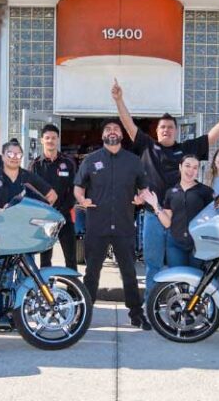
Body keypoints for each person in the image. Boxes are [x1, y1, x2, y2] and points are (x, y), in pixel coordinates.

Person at [112, 78, 219, 298]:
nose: (166, 130)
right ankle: (150, 307)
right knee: (152, 265)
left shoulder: (186, 149)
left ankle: (177, 308)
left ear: (176, 131)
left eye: (170, 127)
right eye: (162, 127)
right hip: (153, 216)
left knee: (178, 269)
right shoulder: (148, 146)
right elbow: (129, 124)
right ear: (157, 130)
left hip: (181, 220)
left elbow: (211, 137)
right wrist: (119, 100)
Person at [74, 119, 151, 330]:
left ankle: (136, 314)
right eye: (108, 129)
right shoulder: (90, 160)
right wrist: (82, 200)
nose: (112, 132)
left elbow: (143, 189)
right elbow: (78, 187)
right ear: (102, 136)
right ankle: (85, 315)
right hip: (97, 226)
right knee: (92, 273)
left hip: (124, 226)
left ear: (122, 135)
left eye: (116, 129)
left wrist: (141, 198)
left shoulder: (134, 161)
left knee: (129, 273)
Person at [141, 155, 214, 268]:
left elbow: (213, 217)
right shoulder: (171, 192)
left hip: (198, 245)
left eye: (195, 167)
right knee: (177, 280)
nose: (191, 170)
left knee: (197, 280)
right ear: (180, 167)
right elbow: (167, 223)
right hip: (175, 245)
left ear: (198, 171)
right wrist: (156, 206)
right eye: (187, 166)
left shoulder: (206, 191)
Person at [28, 124, 78, 270]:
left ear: (58, 140)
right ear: (42, 140)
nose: (50, 141)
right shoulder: (35, 165)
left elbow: (74, 190)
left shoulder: (68, 163)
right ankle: (46, 291)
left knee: (71, 259)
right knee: (45, 261)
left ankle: (73, 291)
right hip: (45, 220)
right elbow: (31, 192)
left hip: (64, 217)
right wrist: (46, 212)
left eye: (53, 138)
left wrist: (61, 211)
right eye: (47, 138)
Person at [0, 139, 57, 209]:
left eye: (18, 154)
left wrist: (39, 213)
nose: (15, 157)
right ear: (2, 156)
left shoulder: (29, 177)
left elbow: (52, 196)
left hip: (24, 222)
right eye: (10, 154)